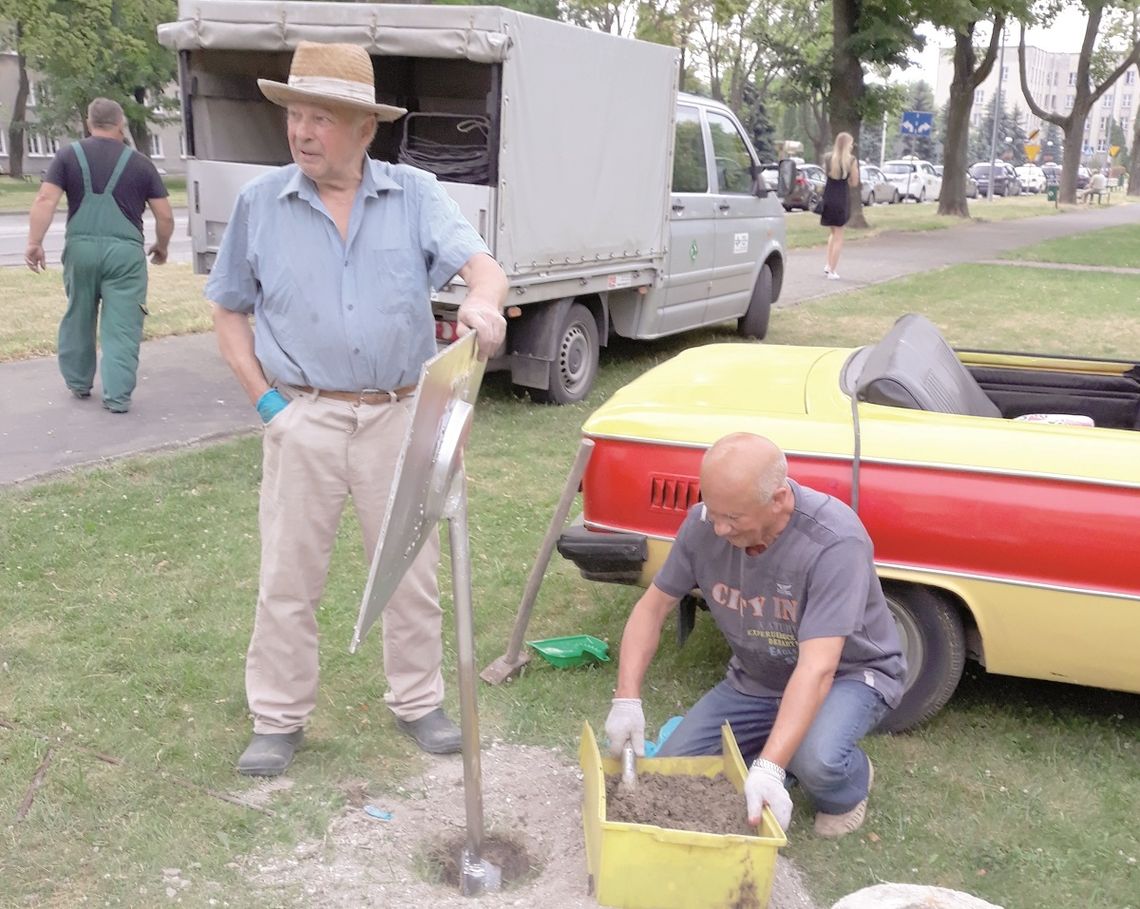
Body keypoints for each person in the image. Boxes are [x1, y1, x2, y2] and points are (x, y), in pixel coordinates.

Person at [206, 41, 508, 777]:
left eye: (322, 118)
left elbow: (485, 270)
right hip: (302, 417)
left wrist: (482, 303)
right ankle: (278, 719)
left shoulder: (415, 195)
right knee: (287, 579)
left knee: (411, 570)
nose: (302, 132)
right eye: (295, 116)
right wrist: (269, 404)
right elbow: (228, 310)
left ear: (365, 128)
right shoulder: (259, 204)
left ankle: (418, 701)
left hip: (400, 418)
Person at [604, 433, 905, 837]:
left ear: (778, 499)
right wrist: (626, 698)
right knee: (675, 769)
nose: (719, 528)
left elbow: (818, 668)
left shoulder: (834, 542)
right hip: (758, 678)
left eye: (733, 518)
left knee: (816, 760)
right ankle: (781, 748)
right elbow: (651, 608)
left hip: (847, 676)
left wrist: (770, 768)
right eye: (713, 511)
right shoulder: (704, 524)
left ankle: (848, 782)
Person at [25, 98, 174, 413]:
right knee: (122, 325)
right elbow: (164, 216)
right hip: (125, 255)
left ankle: (78, 383)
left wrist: (34, 242)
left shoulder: (67, 156)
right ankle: (117, 397)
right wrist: (162, 246)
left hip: (80, 250)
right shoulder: (141, 163)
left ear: (89, 123)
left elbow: (45, 200)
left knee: (79, 314)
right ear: (121, 124)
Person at [819, 132, 859, 281]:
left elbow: (826, 174)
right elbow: (854, 182)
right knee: (839, 237)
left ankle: (828, 264)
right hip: (841, 198)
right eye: (851, 143)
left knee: (833, 233)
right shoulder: (851, 161)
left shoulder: (828, 158)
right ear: (848, 145)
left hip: (828, 197)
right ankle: (832, 270)